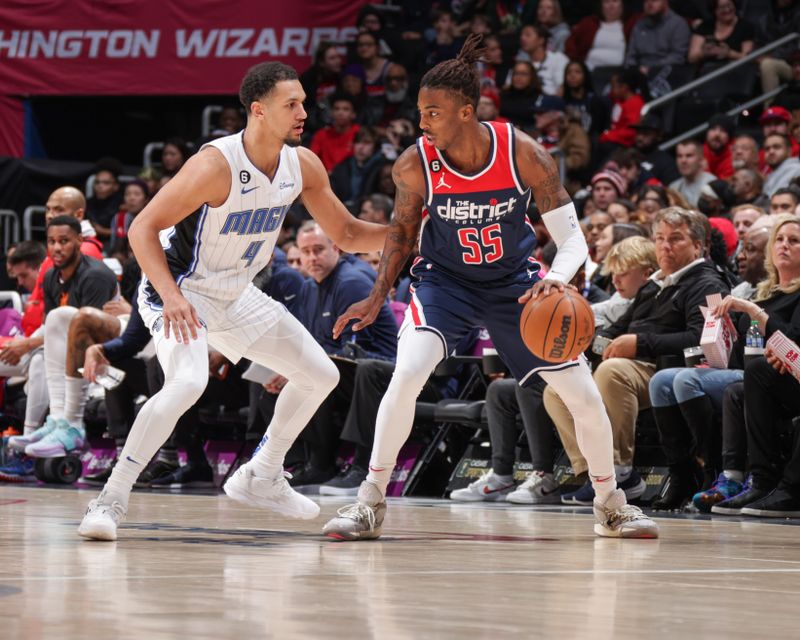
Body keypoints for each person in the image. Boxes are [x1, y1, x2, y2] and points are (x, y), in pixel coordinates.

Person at [321, 35, 659, 541]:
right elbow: (401, 234)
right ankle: (369, 501)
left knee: (583, 395)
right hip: (444, 282)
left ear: (465, 111)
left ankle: (610, 504)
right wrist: (376, 296)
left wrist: (556, 283)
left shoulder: (522, 152)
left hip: (516, 285)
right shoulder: (414, 165)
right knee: (408, 374)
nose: (421, 123)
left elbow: (573, 241)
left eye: (432, 112)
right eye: (420, 111)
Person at [77, 61, 389, 541]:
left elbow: (346, 233)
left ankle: (262, 472)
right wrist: (172, 296)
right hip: (180, 289)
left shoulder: (301, 163)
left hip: (236, 293)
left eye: (304, 101)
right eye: (293, 104)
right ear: (259, 111)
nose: (305, 111)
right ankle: (110, 500)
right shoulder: (214, 165)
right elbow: (142, 228)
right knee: (186, 383)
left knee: (321, 374)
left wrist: (411, 234)